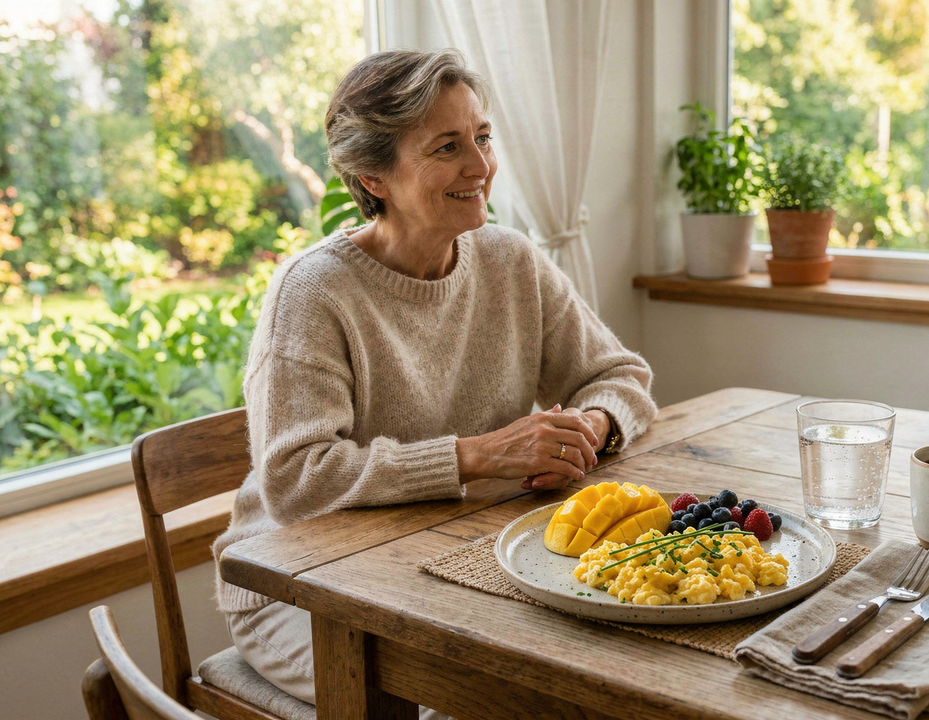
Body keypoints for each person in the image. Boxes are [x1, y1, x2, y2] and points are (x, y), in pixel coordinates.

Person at [210, 48, 658, 713]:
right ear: (374, 176)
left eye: (481, 137)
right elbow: (296, 480)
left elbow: (620, 374)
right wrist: (476, 456)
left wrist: (589, 427)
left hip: (450, 560)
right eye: (447, 147)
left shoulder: (509, 259)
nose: (480, 167)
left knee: (605, 662)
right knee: (478, 699)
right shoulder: (313, 292)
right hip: (301, 590)